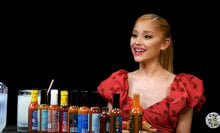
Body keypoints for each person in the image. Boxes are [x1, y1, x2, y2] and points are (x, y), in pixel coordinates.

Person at [97, 13, 206, 133]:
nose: (137, 42)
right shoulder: (118, 83)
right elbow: (108, 129)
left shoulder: (183, 88)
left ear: (165, 43)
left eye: (147, 36)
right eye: (134, 35)